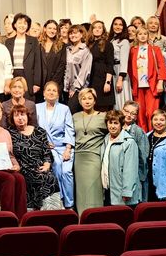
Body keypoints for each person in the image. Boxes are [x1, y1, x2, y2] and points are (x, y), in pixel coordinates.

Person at [9, 103, 60, 211]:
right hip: (22, 169)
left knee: (49, 177)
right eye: (16, 115)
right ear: (12, 119)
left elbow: (46, 153)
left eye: (22, 114)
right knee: (33, 179)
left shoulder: (39, 131)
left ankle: (51, 212)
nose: (20, 118)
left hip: (40, 167)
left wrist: (47, 165)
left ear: (28, 116)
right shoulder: (9, 133)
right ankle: (32, 213)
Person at [36, 81, 74, 209]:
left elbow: (69, 129)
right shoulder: (37, 108)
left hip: (63, 147)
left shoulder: (64, 109)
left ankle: (69, 203)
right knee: (56, 166)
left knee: (67, 172)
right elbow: (34, 129)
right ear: (44, 93)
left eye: (54, 90)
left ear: (58, 94)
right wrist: (43, 143)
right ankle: (60, 201)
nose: (51, 92)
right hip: (46, 148)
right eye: (48, 90)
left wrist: (68, 149)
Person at [73, 88, 108, 214]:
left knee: (94, 189)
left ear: (94, 101)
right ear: (80, 101)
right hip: (78, 158)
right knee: (81, 191)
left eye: (90, 98)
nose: (87, 101)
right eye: (84, 99)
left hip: (94, 157)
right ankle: (82, 218)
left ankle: (96, 218)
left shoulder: (103, 116)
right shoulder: (75, 116)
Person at [128, 26, 165, 131]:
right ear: (136, 36)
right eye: (140, 34)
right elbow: (130, 69)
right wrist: (132, 85)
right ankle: (143, 135)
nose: (143, 36)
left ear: (148, 36)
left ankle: (153, 134)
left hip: (152, 85)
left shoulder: (155, 49)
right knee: (140, 113)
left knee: (152, 112)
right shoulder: (133, 50)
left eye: (145, 34)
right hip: (138, 86)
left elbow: (161, 66)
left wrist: (160, 82)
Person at [101, 110, 141, 206]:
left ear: (121, 124)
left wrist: (127, 191)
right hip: (109, 190)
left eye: (116, 123)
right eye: (110, 123)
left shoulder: (129, 142)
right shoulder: (106, 139)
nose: (112, 126)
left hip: (122, 193)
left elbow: (130, 170)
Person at [7, 13, 43, 101]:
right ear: (15, 25)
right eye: (19, 23)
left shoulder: (33, 41)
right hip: (12, 75)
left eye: (25, 23)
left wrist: (37, 83)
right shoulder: (8, 42)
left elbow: (38, 62)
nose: (22, 25)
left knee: (28, 103)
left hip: (28, 76)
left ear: (28, 26)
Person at [121, 101, 150, 202]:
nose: (129, 115)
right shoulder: (116, 128)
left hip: (133, 175)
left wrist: (140, 178)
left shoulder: (138, 132)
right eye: (126, 111)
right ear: (122, 111)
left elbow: (143, 156)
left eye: (133, 113)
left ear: (136, 117)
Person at [87, 20, 116, 111]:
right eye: (95, 27)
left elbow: (110, 64)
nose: (97, 29)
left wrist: (108, 82)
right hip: (91, 78)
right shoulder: (89, 44)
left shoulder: (107, 44)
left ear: (103, 30)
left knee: (103, 106)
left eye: (100, 28)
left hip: (103, 78)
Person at [64, 24, 92, 112]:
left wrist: (74, 88)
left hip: (78, 89)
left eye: (75, 33)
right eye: (71, 33)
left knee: (72, 112)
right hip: (66, 88)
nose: (73, 35)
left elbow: (84, 72)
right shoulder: (67, 49)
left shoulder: (85, 51)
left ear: (81, 34)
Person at [39, 20, 67, 94]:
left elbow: (62, 65)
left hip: (55, 82)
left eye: (54, 29)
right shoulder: (38, 45)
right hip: (40, 84)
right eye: (50, 28)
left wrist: (53, 83)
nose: (52, 31)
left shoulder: (62, 46)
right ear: (45, 29)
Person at [109, 17, 131, 110]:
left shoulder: (124, 41)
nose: (118, 27)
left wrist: (120, 79)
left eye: (120, 25)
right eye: (115, 24)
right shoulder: (111, 40)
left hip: (120, 72)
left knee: (121, 98)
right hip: (112, 70)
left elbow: (124, 61)